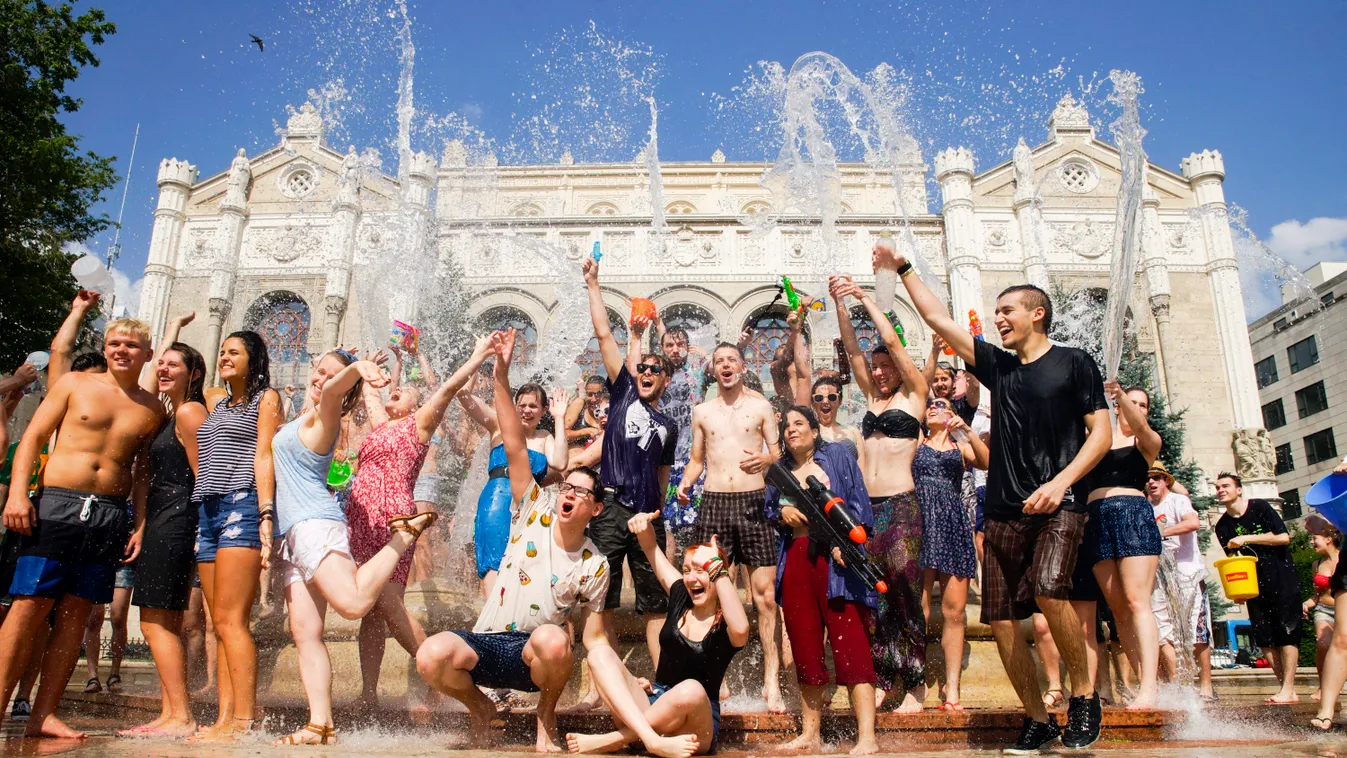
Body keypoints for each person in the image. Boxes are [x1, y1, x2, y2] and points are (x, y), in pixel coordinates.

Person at [893, 245, 1111, 752]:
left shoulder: (1076, 363)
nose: (999, 320)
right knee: (1001, 620)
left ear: (1037, 312)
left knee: (1051, 590)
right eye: (995, 314)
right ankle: (1036, 718)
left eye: (1007, 311)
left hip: (1060, 504)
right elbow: (936, 318)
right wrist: (902, 269)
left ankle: (1083, 698)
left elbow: (1100, 434)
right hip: (1002, 511)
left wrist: (1061, 483)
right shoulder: (1001, 367)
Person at [415, 328, 609, 753]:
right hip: (489, 642)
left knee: (555, 640)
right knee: (430, 654)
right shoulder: (533, 507)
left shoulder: (595, 563)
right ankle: (480, 707)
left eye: (580, 491)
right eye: (567, 489)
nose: (569, 494)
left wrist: (619, 683)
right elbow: (510, 437)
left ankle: (545, 716)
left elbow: (593, 638)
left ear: (595, 508)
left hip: (533, 654)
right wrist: (500, 371)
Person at [270, 346, 454, 745]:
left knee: (355, 605)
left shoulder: (325, 416)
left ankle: (403, 536)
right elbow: (329, 389)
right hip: (294, 534)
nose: (319, 378)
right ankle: (321, 723)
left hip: (316, 524)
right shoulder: (303, 416)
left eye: (328, 375)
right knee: (306, 632)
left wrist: (354, 369)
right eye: (316, 371)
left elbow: (335, 392)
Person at [0, 318, 163, 739]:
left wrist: (140, 525)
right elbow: (35, 436)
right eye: (114, 343)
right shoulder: (74, 384)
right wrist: (19, 494)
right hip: (57, 506)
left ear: (147, 353)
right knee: (28, 608)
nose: (120, 350)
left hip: (109, 515)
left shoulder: (152, 407)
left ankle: (44, 713)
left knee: (76, 616)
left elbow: (142, 473)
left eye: (130, 345)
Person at [349, 339, 511, 712]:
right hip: (362, 522)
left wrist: (477, 356)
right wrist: (362, 365)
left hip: (395, 521)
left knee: (389, 603)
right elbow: (369, 395)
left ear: (417, 405)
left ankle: (442, 682)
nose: (392, 394)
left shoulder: (419, 425)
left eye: (401, 392)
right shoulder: (380, 425)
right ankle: (368, 693)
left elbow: (449, 386)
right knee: (369, 609)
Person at [831, 271, 929, 714]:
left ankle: (917, 684)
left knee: (906, 591)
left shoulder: (914, 395)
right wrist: (839, 303)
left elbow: (890, 341)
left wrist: (865, 298)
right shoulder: (871, 398)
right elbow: (852, 348)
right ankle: (888, 677)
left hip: (902, 506)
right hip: (866, 511)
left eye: (886, 364)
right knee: (876, 592)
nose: (879, 371)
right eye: (876, 367)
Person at [567, 519, 747, 758]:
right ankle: (651, 740)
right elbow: (652, 550)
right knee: (600, 654)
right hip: (653, 707)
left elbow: (742, 629)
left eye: (701, 570)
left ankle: (616, 740)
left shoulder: (728, 624)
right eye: (686, 570)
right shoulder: (680, 595)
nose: (691, 578)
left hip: (695, 723)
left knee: (691, 690)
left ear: (717, 574)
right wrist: (643, 526)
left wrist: (715, 565)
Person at [584, 257, 678, 689]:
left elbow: (663, 476)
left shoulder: (670, 426)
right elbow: (605, 334)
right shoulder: (622, 395)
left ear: (666, 379)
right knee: (598, 601)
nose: (644, 372)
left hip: (646, 519)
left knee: (656, 607)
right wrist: (594, 284)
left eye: (653, 370)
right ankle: (595, 687)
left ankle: (660, 685)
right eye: (641, 368)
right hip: (610, 510)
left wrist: (658, 516)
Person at [118, 313, 210, 737]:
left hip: (178, 521)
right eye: (162, 362)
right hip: (161, 520)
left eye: (175, 364)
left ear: (194, 375)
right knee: (162, 620)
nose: (163, 368)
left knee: (155, 619)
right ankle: (172, 712)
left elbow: (203, 473)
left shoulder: (190, 412)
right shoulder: (170, 414)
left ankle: (180, 716)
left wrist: (199, 531)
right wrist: (140, 526)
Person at [677, 339, 781, 711]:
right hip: (715, 502)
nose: (725, 366)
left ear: (742, 366)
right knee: (714, 592)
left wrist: (767, 459)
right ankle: (717, 679)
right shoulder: (702, 410)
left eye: (731, 360)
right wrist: (686, 484)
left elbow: (778, 454)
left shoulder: (761, 406)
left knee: (764, 596)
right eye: (719, 361)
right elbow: (695, 459)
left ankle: (772, 679)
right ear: (713, 369)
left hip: (754, 502)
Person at [768, 406, 879, 754]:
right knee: (805, 646)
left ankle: (867, 738)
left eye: (798, 423)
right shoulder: (780, 470)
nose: (790, 430)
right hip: (796, 559)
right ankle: (810, 733)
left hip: (838, 564)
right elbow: (768, 511)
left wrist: (849, 545)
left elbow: (860, 505)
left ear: (815, 431)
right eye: (785, 425)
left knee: (853, 645)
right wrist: (781, 512)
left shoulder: (839, 458)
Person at [191, 330, 283, 741]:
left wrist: (266, 513)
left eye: (234, 352)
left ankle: (243, 722)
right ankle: (223, 719)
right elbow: (194, 382)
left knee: (232, 620)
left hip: (241, 504)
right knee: (218, 623)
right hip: (206, 509)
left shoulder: (267, 399)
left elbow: (264, 454)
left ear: (254, 359)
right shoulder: (216, 400)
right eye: (222, 351)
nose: (225, 357)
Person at [1083, 383, 1163, 710]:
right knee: (1117, 609)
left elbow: (1142, 427)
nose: (1138, 409)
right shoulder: (1097, 440)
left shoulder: (1146, 442)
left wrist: (1121, 396)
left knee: (1136, 600)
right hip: (1097, 519)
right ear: (1115, 407)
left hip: (1133, 517)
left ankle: (1149, 687)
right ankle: (1140, 677)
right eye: (1133, 403)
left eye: (1143, 404)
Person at [460, 372, 566, 594]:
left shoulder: (545, 437)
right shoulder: (500, 426)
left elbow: (560, 462)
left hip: (530, 507)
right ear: (514, 407)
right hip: (498, 500)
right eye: (522, 405)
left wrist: (560, 418)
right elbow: (463, 395)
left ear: (544, 410)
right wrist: (478, 360)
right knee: (494, 563)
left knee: (525, 566)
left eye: (533, 406)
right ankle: (492, 624)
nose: (527, 410)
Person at [916, 397, 988, 711]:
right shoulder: (917, 439)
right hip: (919, 520)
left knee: (954, 611)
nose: (934, 406)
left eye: (941, 404)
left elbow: (985, 461)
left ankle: (952, 688)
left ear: (953, 415)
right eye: (930, 404)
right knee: (918, 608)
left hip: (952, 522)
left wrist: (966, 431)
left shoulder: (961, 447)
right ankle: (913, 681)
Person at [1213, 472, 1301, 706]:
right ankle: (1285, 687)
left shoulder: (1260, 507)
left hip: (1282, 579)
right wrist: (1236, 590)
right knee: (1264, 639)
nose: (1221, 490)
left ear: (1239, 489)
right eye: (1217, 487)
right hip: (1253, 586)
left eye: (1226, 486)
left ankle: (1289, 688)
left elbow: (1283, 537)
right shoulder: (1222, 526)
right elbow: (1233, 561)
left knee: (1287, 633)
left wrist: (1247, 538)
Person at [1146, 461, 1213, 702]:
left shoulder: (1177, 500)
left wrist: (1160, 532)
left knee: (1196, 629)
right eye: (1148, 478)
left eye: (1156, 477)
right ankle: (1179, 686)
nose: (1151, 482)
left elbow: (1193, 523)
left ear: (1166, 481)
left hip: (1188, 574)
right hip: (1159, 576)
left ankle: (1205, 685)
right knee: (1164, 631)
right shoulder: (1144, 507)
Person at [655, 320, 706, 557]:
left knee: (697, 523)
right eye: (669, 345)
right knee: (666, 526)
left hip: (692, 463)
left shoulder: (696, 372)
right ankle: (671, 589)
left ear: (688, 346)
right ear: (661, 348)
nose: (675, 349)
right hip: (663, 462)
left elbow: (722, 368)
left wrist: (706, 357)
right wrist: (656, 322)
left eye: (680, 344)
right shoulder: (656, 376)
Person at [810, 375, 863, 464]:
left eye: (832, 397)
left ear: (840, 401)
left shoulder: (854, 432)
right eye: (819, 398)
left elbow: (862, 471)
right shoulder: (809, 432)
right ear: (813, 402)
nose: (825, 402)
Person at [564, 376, 608, 450]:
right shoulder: (579, 404)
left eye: (598, 395)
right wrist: (587, 431)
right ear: (586, 394)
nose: (593, 399)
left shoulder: (609, 410)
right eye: (590, 395)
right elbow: (563, 434)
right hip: (576, 457)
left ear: (605, 394)